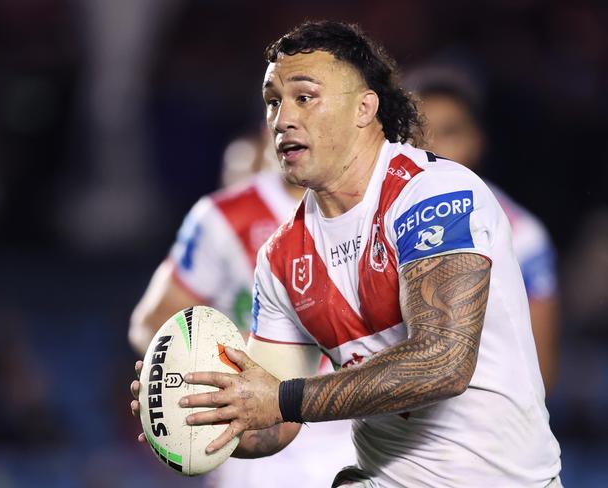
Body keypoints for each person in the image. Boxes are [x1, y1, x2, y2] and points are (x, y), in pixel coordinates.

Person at [131, 21, 562, 486]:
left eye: (305, 97)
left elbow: (443, 362)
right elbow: (273, 426)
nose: (283, 118)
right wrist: (206, 412)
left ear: (364, 107)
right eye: (273, 101)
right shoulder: (281, 257)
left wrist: (280, 399)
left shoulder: (435, 193)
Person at [129, 129, 356, 487]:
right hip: (255, 434)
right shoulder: (225, 215)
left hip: (361, 425)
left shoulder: (384, 204)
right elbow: (151, 319)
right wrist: (181, 371)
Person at [403, 63, 560, 393]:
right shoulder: (371, 224)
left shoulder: (523, 237)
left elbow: (540, 374)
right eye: (416, 133)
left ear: (476, 141)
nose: (431, 149)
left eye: (449, 133)